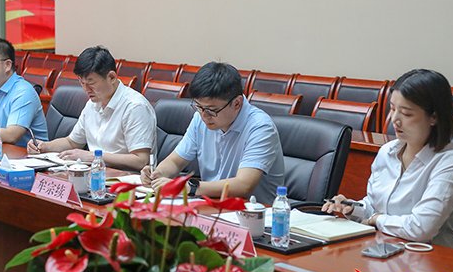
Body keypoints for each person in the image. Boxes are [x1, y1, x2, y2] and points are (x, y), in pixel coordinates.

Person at [322, 69, 453, 247]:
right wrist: (352, 208)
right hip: (382, 248)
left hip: (427, 256)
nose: (394, 119)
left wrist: (376, 219)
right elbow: (374, 205)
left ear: (434, 117)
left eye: (406, 113)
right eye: (392, 109)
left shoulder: (450, 162)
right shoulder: (387, 151)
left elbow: (421, 228)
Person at [141, 62, 284, 201]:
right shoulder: (200, 118)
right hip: (210, 204)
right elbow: (175, 161)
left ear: (237, 103)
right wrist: (158, 174)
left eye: (211, 110)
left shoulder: (260, 127)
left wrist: (189, 187)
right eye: (199, 107)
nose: (204, 115)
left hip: (252, 211)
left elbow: (243, 185)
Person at [27, 46, 156, 171]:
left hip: (126, 180)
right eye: (82, 83)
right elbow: (72, 142)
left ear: (111, 77)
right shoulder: (92, 103)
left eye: (91, 83)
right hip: (96, 173)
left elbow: (140, 160)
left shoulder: (135, 107)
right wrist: (44, 146)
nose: (86, 89)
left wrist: (93, 156)